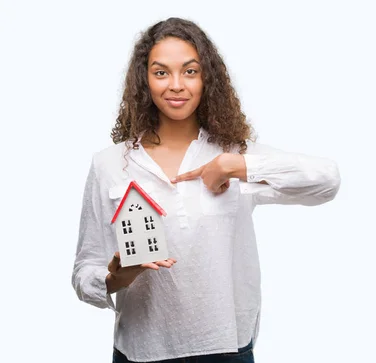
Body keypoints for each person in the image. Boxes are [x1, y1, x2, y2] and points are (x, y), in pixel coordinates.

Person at [71, 17, 341, 363]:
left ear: (206, 78)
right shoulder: (109, 163)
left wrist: (237, 167)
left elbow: (326, 180)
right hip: (141, 350)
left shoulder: (235, 153)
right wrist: (117, 276)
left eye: (190, 71)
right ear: (144, 81)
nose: (176, 85)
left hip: (226, 346)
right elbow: (84, 272)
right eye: (161, 72)